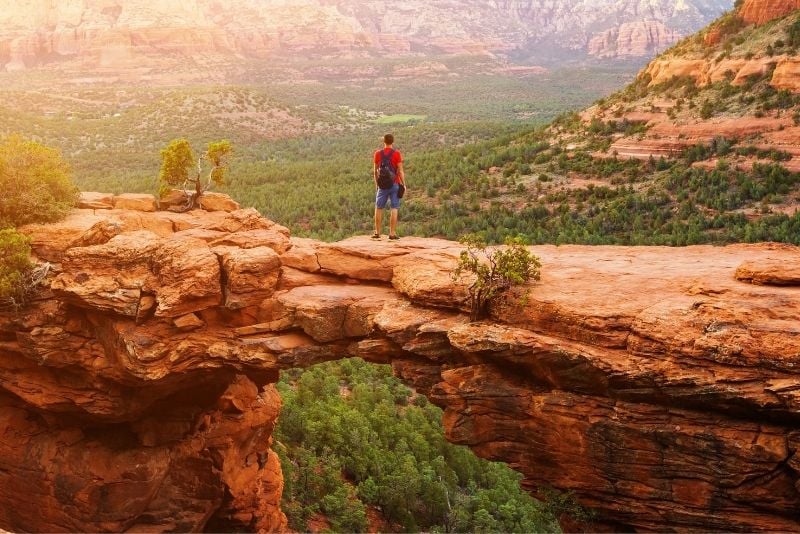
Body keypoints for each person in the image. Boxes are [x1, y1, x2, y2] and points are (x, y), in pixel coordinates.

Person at [372, 133, 406, 240]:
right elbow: (400, 171)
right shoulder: (397, 154)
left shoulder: (377, 154)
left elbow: (375, 172)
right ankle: (392, 233)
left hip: (382, 185)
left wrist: (377, 185)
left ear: (384, 141)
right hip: (394, 183)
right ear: (393, 142)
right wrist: (404, 184)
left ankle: (377, 232)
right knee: (394, 208)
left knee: (378, 207)